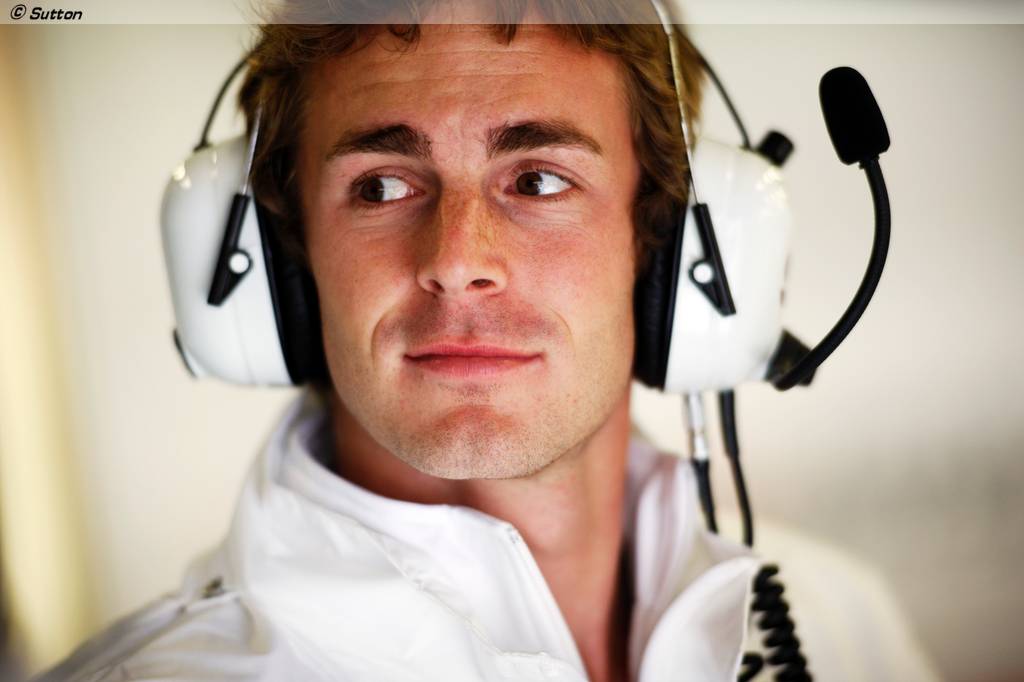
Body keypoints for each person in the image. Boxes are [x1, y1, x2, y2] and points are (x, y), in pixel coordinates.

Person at [36, 1, 941, 680]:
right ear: (285, 261)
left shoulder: (841, 621)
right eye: (381, 186)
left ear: (665, 242)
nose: (458, 261)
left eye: (538, 180)